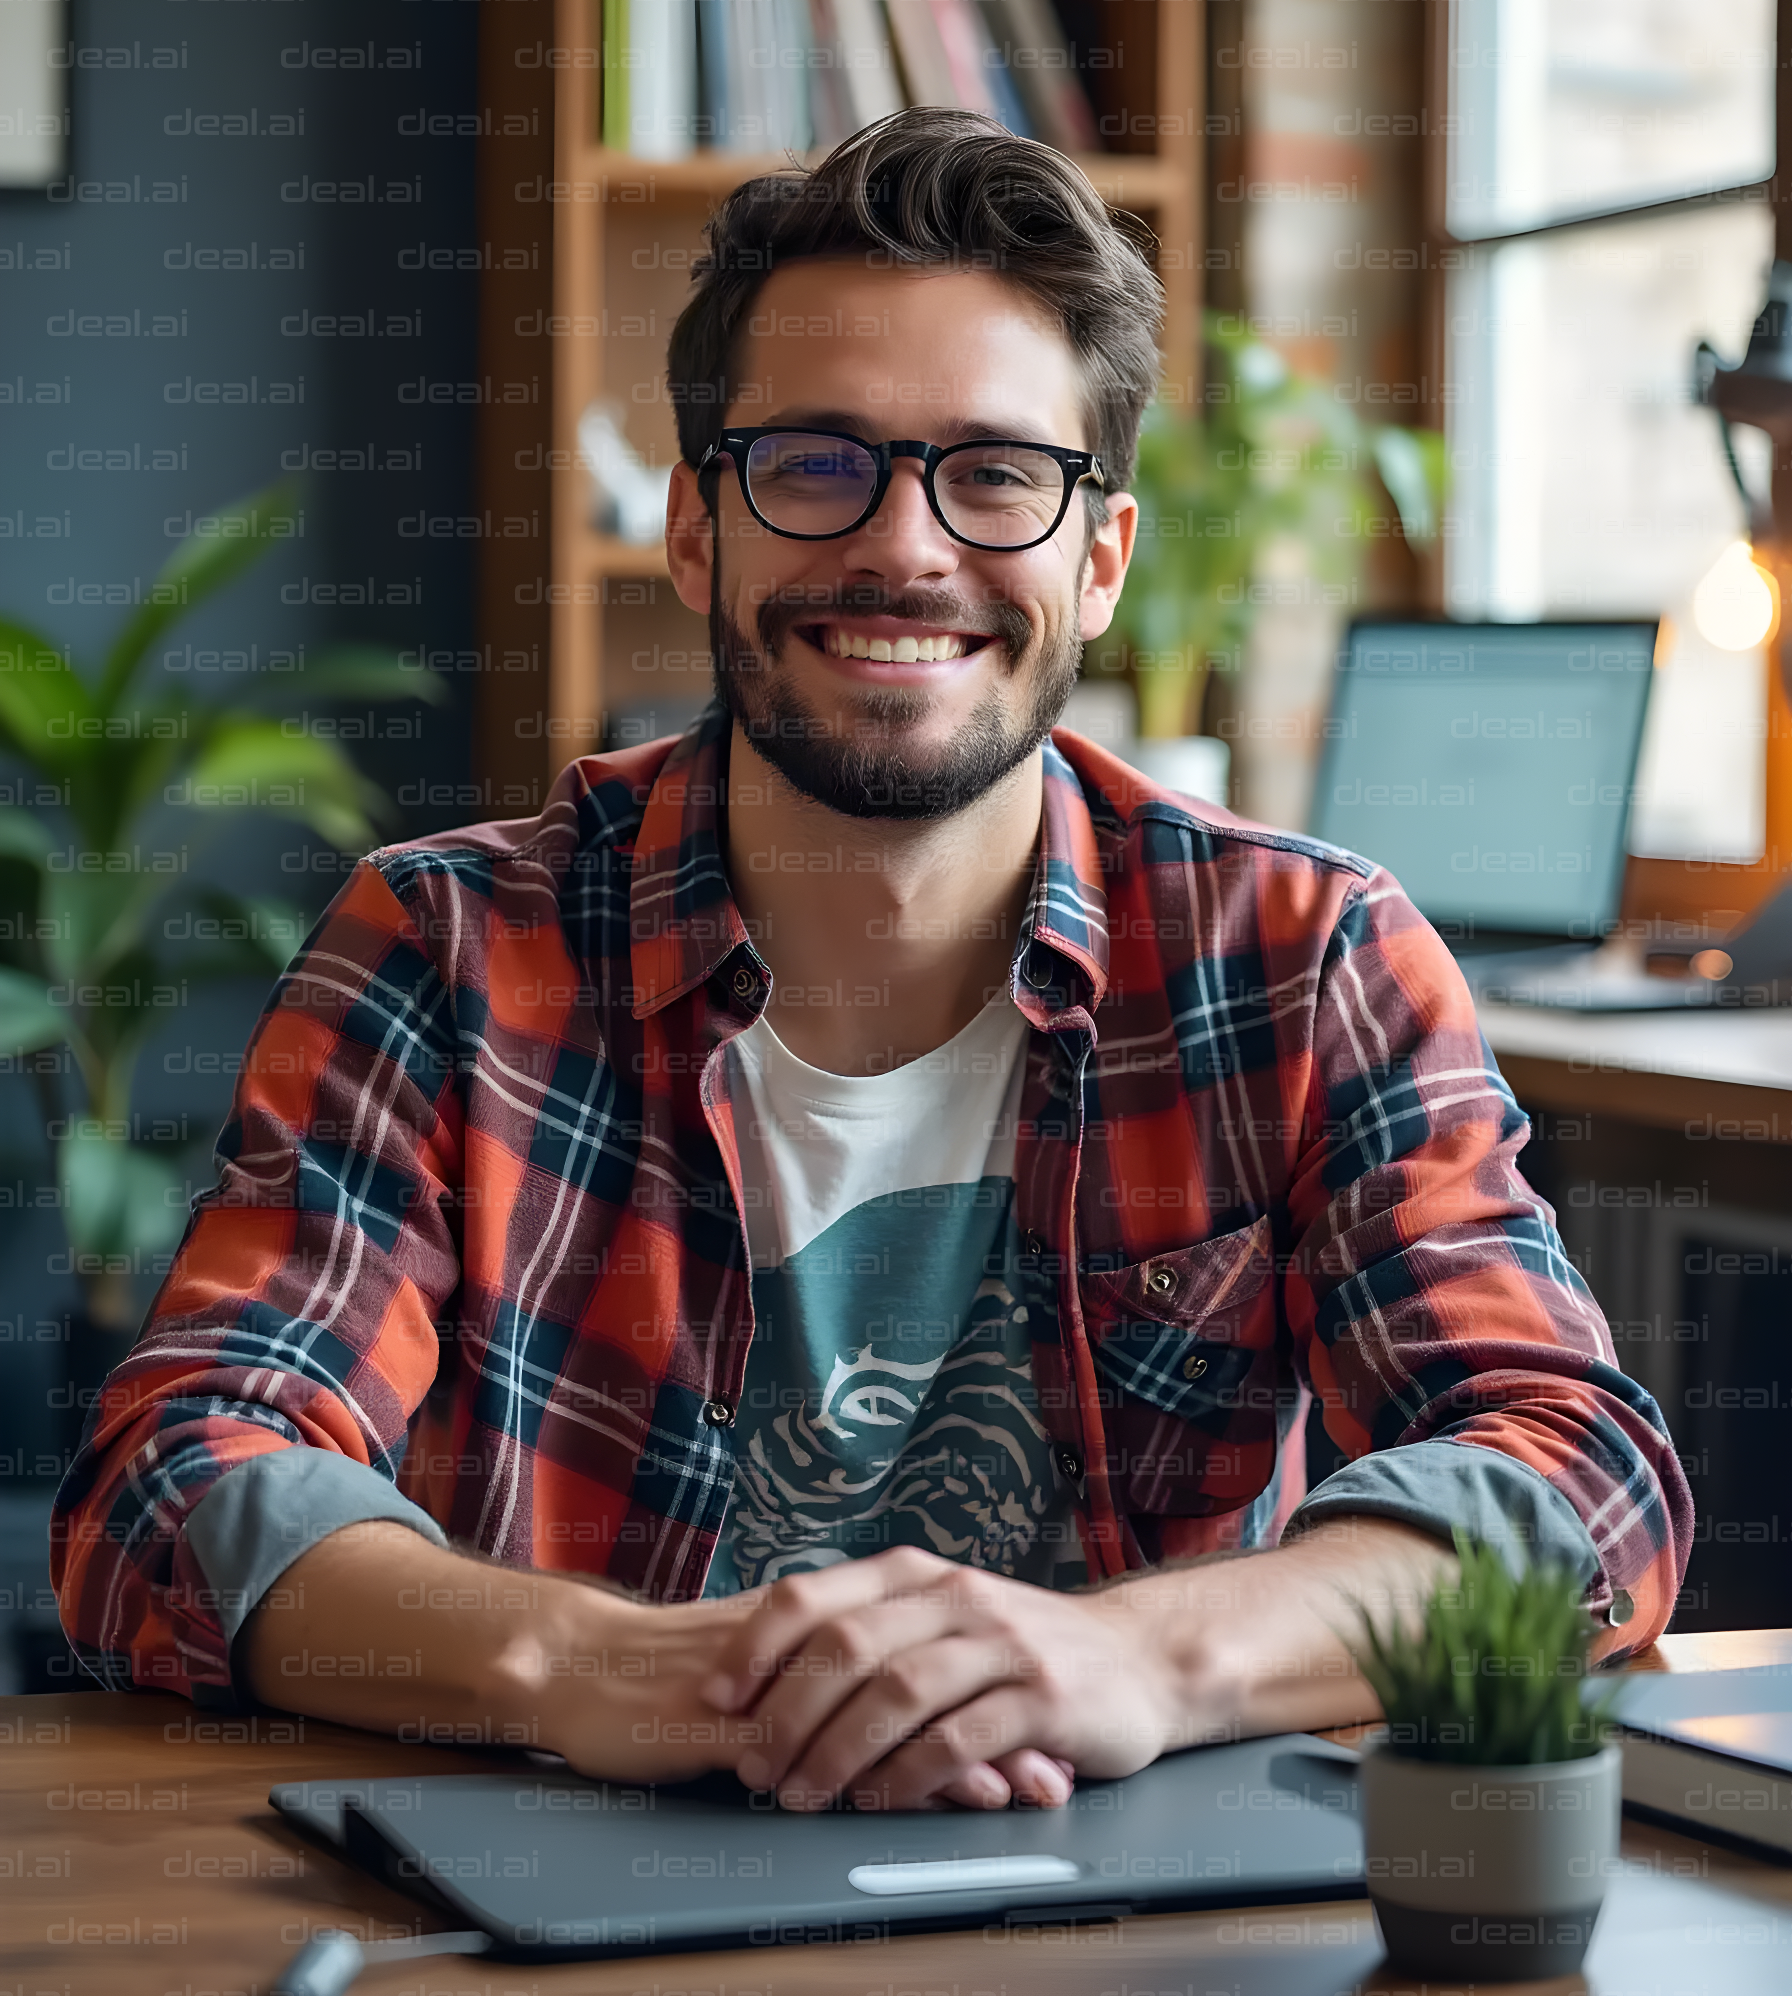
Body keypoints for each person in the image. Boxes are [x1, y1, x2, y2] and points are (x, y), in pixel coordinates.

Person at [52, 111, 1689, 1816]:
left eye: (994, 473)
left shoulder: (1299, 956)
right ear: (698, 533)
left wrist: (1144, 1657)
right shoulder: (453, 950)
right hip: (585, 1884)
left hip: (1142, 1911)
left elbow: (1577, 1483)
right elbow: (176, 1483)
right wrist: (614, 1667)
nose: (906, 548)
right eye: (817, 462)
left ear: (1101, 559)